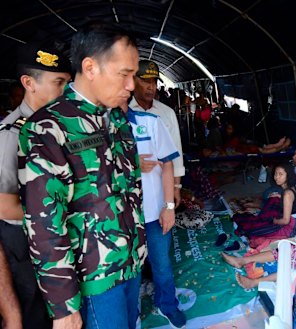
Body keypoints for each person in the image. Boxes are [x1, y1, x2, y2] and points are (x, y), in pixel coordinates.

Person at [18, 23, 146, 329]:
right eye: (124, 74)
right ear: (90, 67)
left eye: (134, 74)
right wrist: (63, 306)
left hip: (131, 264)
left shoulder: (116, 119)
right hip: (94, 280)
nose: (132, 85)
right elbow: (43, 222)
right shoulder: (49, 127)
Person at [0, 41, 71, 329]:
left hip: (60, 237)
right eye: (59, 82)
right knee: (38, 314)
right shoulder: (12, 134)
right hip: (27, 246)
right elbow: (4, 204)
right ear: (29, 83)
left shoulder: (59, 126)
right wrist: (65, 211)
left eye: (68, 83)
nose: (66, 91)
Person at [123, 103, 187, 328]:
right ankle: (131, 316)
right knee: (127, 271)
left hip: (153, 212)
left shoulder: (149, 122)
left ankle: (167, 304)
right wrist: (131, 163)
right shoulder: (97, 125)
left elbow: (167, 164)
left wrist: (169, 206)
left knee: (161, 263)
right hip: (121, 218)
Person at [130, 60, 185, 207]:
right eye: (145, 81)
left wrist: (176, 187)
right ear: (132, 81)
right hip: (133, 187)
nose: (151, 87)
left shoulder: (167, 113)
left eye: (154, 82)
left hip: (163, 187)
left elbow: (176, 152)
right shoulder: (122, 114)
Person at [232, 162, 296, 248]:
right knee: (273, 201)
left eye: (280, 174)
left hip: (292, 227)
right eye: (275, 174)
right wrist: (280, 196)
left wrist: (274, 221)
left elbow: (285, 221)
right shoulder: (290, 188)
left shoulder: (287, 194)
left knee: (255, 231)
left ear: (288, 176)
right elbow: (292, 200)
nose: (276, 177)